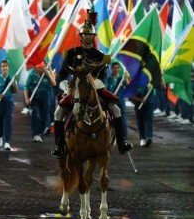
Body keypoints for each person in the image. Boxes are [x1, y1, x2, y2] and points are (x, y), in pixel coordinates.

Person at [51, 10, 133, 158]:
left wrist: (94, 84)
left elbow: (103, 76)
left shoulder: (100, 56)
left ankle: (122, 142)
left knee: (116, 111)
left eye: (90, 34)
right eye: (85, 34)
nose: (87, 36)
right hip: (74, 88)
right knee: (58, 113)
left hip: (95, 88)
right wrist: (66, 87)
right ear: (81, 36)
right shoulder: (71, 53)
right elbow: (62, 75)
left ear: (93, 36)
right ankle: (59, 146)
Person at [24, 62, 56, 142]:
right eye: (40, 65)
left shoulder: (46, 74)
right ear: (35, 67)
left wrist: (47, 73)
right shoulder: (32, 75)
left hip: (46, 99)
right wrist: (27, 99)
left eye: (43, 66)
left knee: (44, 117)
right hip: (35, 99)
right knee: (35, 114)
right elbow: (26, 87)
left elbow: (54, 83)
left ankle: (41, 133)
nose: (42, 67)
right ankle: (36, 134)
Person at [0, 60, 18, 150]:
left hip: (9, 102)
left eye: (6, 66)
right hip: (0, 103)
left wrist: (13, 81)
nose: (4, 67)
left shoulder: (12, 78)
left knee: (8, 121)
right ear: (0, 68)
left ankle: (7, 142)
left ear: (8, 68)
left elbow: (15, 91)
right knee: (0, 122)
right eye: (3, 66)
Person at [105, 62, 130, 138]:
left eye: (118, 68)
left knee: (122, 119)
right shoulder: (108, 79)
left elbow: (129, 87)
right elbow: (105, 90)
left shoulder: (121, 79)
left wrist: (126, 78)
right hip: (111, 103)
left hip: (120, 102)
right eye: (115, 68)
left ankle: (124, 137)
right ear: (112, 69)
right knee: (110, 119)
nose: (116, 69)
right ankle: (113, 135)